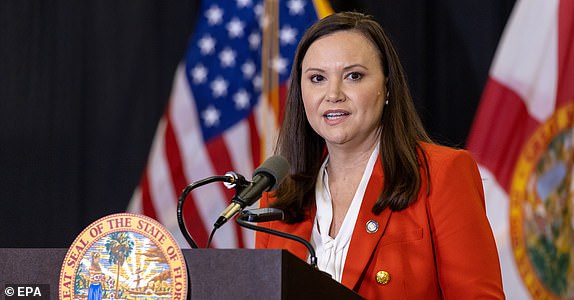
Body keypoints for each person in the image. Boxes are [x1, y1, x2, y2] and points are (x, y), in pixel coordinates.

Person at [255, 11, 505, 299]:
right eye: (317, 78)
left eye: (353, 76)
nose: (333, 94)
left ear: (387, 87)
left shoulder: (441, 174)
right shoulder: (275, 200)